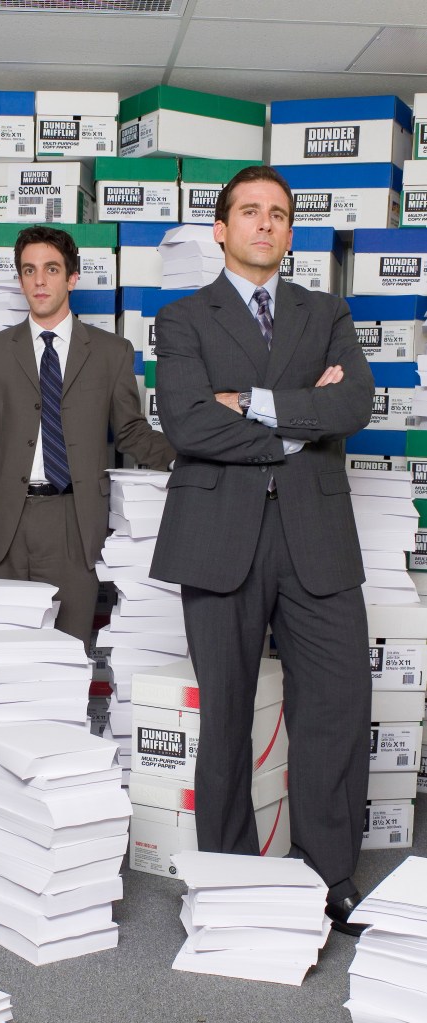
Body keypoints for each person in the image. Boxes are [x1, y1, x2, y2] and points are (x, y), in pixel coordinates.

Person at [150, 165, 374, 936]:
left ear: (288, 231)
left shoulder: (327, 311)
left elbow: (353, 404)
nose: (264, 224)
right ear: (220, 228)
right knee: (226, 717)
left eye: (277, 214)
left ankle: (328, 875)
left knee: (335, 709)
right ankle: (229, 875)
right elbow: (185, 425)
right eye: (249, 211)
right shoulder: (182, 317)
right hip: (218, 537)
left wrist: (249, 401)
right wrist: (302, 419)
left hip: (316, 537)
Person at [0, 226, 175, 643]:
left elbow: (130, 431)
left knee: (69, 654)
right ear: (19, 280)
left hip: (76, 522)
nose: (39, 281)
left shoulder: (112, 352)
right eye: (29, 270)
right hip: (2, 526)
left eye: (51, 269)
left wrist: (185, 457)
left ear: (72, 278)